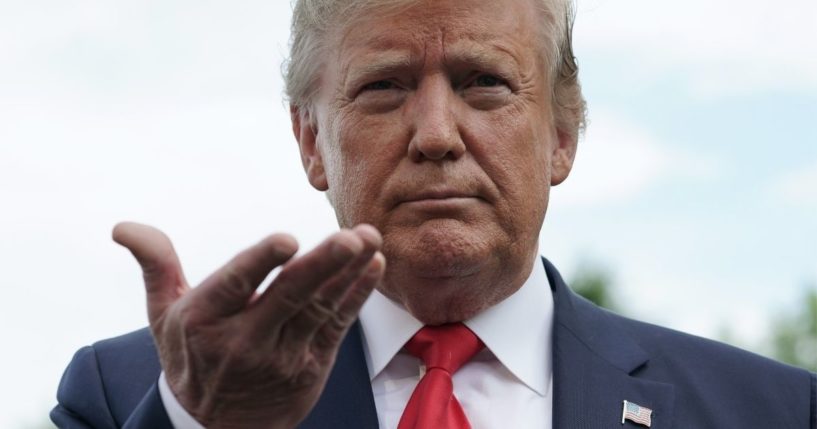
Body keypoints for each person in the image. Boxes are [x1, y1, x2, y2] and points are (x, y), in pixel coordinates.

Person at [51, 0, 816, 428]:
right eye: (384, 86)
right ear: (311, 140)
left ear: (560, 133)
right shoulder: (131, 395)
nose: (436, 135)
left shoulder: (772, 411)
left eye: (483, 81)